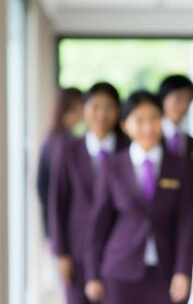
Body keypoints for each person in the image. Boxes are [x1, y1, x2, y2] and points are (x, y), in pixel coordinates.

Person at [84, 90, 193, 304]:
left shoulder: (180, 166)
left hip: (166, 270)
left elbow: (186, 222)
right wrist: (92, 274)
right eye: (139, 120)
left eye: (154, 118)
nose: (148, 127)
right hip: (120, 269)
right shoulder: (112, 167)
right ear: (125, 125)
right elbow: (98, 224)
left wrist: (183, 270)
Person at [48, 82, 129, 304]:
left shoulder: (130, 148)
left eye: (109, 106)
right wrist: (61, 253)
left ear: (118, 110)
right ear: (84, 109)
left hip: (119, 248)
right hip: (78, 249)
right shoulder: (68, 149)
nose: (102, 113)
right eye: (95, 106)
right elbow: (58, 201)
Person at [158, 74, 193, 255]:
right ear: (163, 98)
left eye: (188, 100)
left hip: (184, 227)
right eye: (178, 98)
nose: (183, 105)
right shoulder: (147, 140)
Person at [37, 86, 83, 239]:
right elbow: (53, 190)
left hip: (57, 223)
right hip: (62, 225)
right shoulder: (63, 143)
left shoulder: (55, 137)